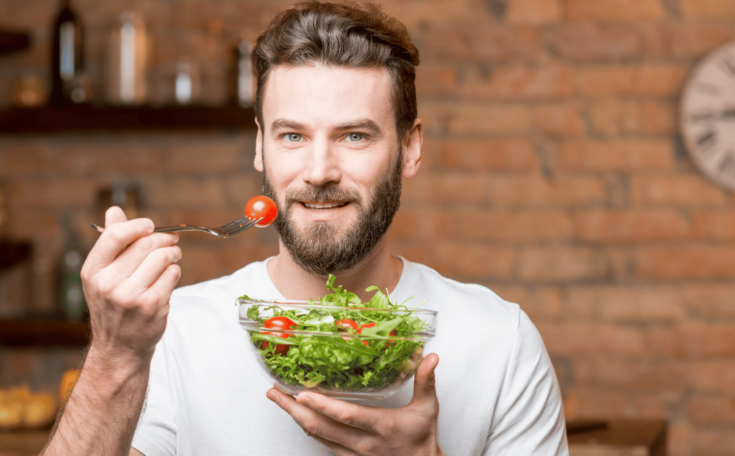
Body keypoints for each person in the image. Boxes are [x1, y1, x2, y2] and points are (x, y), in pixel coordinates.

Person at [41, 3, 568, 455]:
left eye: (355, 136)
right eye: (292, 136)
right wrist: (114, 355)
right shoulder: (170, 336)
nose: (318, 171)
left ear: (410, 147)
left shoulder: (501, 342)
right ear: (259, 147)